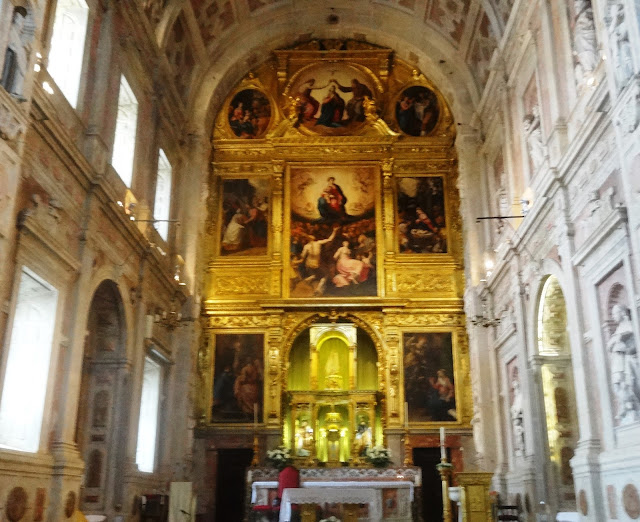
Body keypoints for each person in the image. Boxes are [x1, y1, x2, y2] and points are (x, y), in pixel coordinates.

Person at [607, 304, 640, 423]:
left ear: (622, 312)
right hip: (617, 360)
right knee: (617, 385)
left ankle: (630, 406)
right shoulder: (618, 329)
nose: (613, 316)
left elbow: (632, 341)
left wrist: (618, 341)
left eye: (615, 313)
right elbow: (610, 345)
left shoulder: (630, 325)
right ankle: (625, 406)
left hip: (626, 359)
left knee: (627, 383)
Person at [1, 6, 28, 99]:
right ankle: (15, 90)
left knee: (22, 55)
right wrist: (17, 50)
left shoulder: (17, 35)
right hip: (9, 53)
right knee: (19, 55)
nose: (22, 24)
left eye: (23, 21)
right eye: (21, 20)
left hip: (14, 53)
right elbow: (7, 41)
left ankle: (17, 90)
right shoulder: (10, 28)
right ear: (16, 18)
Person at [300, 227, 338, 294]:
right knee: (325, 275)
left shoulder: (308, 245)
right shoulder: (317, 243)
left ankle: (308, 280)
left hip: (310, 264)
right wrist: (334, 231)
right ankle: (318, 289)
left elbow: (302, 256)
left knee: (317, 275)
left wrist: (334, 231)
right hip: (313, 264)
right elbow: (330, 239)